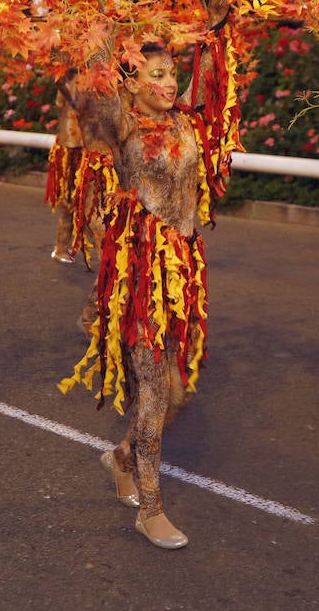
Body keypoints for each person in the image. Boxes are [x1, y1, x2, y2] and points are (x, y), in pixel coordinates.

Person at [57, 40, 225, 550]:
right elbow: (82, 88)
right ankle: (150, 510)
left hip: (181, 277)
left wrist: (218, 20)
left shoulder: (185, 121)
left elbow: (213, 81)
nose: (171, 82)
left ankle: (123, 457)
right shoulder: (124, 124)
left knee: (176, 397)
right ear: (131, 83)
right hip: (140, 278)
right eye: (157, 74)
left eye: (171, 73)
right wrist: (108, 18)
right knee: (152, 395)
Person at [45, 90, 116, 266]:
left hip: (89, 152)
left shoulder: (98, 86)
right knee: (68, 202)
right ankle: (61, 246)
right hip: (69, 151)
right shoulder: (67, 85)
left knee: (92, 208)